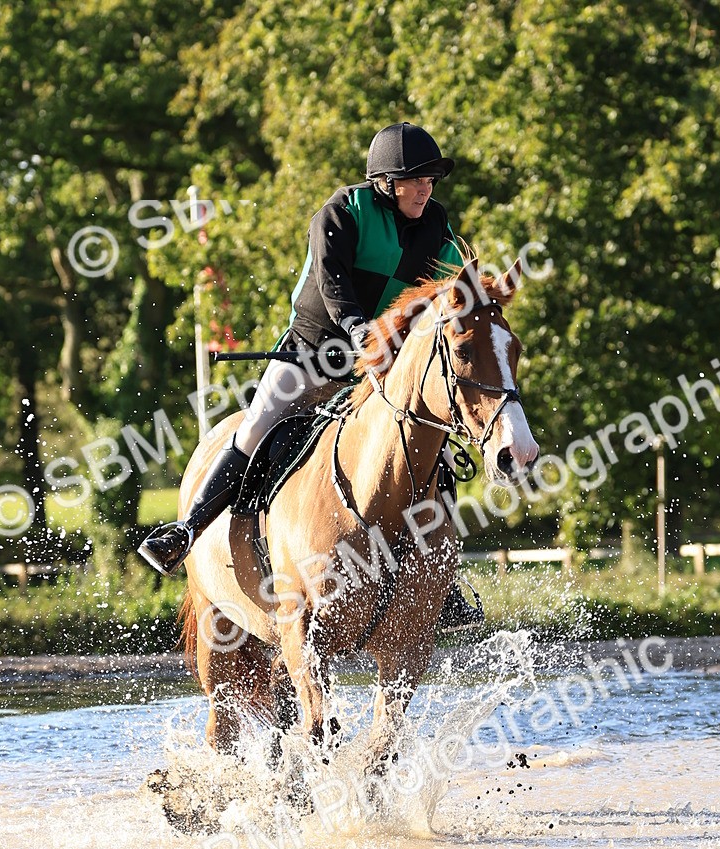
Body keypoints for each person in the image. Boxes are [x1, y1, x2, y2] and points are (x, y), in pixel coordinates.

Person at [138, 122, 480, 628]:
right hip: (314, 353)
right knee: (256, 427)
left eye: (431, 180)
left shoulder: (437, 226)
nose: (427, 188)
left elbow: (456, 287)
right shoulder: (343, 211)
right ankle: (185, 532)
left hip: (377, 368)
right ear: (386, 182)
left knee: (428, 452)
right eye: (416, 179)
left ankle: (441, 583)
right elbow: (333, 281)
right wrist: (360, 330)